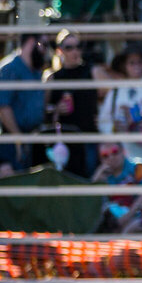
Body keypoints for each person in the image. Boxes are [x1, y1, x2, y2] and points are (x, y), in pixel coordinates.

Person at [44, 29, 101, 178]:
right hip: (64, 143)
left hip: (88, 138)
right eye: (69, 47)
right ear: (59, 50)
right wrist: (56, 109)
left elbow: (112, 94)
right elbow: (44, 110)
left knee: (89, 179)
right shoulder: (53, 78)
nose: (75, 51)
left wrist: (102, 115)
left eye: (78, 46)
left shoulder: (92, 71)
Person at [0, 33, 48, 175]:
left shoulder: (36, 72)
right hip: (13, 143)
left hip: (34, 140)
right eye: (44, 44)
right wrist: (18, 139)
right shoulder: (9, 69)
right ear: (31, 42)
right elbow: (3, 107)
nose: (46, 50)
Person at [98, 46, 142, 162]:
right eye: (132, 63)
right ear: (124, 66)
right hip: (123, 155)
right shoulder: (116, 92)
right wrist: (115, 128)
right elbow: (103, 121)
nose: (136, 67)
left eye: (140, 63)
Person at [92, 141, 142, 233]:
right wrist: (96, 181)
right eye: (105, 155)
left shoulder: (140, 167)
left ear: (123, 151)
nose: (111, 157)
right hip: (111, 223)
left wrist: (127, 216)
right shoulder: (102, 177)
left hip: (140, 218)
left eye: (115, 152)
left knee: (130, 230)